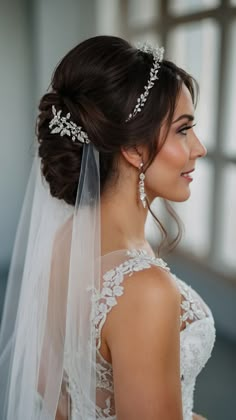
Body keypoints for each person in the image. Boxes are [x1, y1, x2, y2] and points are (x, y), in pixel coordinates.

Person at [0, 35, 216, 420]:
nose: (199, 148)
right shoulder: (145, 289)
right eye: (183, 130)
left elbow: (51, 390)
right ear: (133, 150)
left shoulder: (67, 238)